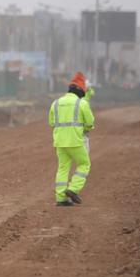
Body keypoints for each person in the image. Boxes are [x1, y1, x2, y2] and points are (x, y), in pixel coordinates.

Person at [48, 72, 95, 207]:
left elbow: (51, 122)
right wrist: (86, 128)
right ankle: (73, 189)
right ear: (80, 90)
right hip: (75, 141)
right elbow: (90, 122)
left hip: (60, 142)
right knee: (84, 164)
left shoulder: (55, 103)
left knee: (63, 168)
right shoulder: (81, 104)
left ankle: (61, 198)